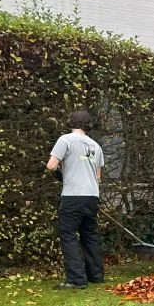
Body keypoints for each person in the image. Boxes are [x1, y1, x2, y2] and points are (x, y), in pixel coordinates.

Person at [46, 110, 105, 290]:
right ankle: (96, 275)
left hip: (73, 196)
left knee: (68, 235)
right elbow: (98, 177)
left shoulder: (66, 140)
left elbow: (51, 165)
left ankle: (77, 279)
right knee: (89, 235)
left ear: (71, 122)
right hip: (92, 196)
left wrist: (61, 174)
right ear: (88, 125)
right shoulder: (96, 146)